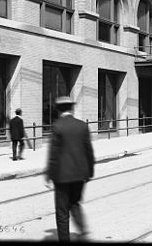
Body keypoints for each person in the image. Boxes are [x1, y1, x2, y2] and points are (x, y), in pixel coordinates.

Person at [45, 96, 95, 242]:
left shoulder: (57, 126)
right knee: (75, 203)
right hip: (80, 174)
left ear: (58, 109)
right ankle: (83, 230)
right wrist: (90, 171)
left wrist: (49, 175)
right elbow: (89, 151)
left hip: (62, 176)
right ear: (71, 108)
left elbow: (54, 154)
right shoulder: (82, 125)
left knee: (62, 212)